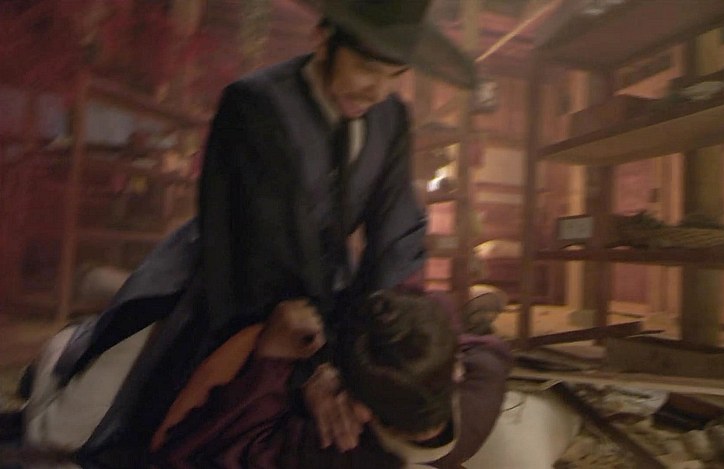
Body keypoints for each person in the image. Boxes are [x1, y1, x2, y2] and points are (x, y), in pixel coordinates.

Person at [26, 0, 477, 464]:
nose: (377, 90)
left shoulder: (391, 117)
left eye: (393, 75)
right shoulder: (255, 103)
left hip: (330, 292)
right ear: (323, 40)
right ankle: (66, 349)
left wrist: (381, 341)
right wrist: (313, 367)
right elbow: (263, 251)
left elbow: (396, 234)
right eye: (365, 68)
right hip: (225, 281)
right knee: (69, 434)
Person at [149, 290, 509, 468]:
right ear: (456, 369)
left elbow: (192, 448)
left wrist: (273, 357)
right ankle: (472, 320)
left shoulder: (329, 447)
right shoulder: (484, 389)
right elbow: (492, 351)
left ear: (361, 410)